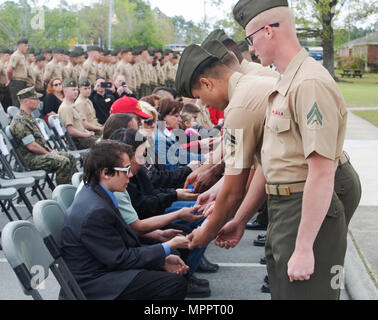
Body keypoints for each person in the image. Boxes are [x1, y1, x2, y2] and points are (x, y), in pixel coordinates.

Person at [211, 0, 360, 300]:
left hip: (304, 206)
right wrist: (241, 219)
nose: (251, 50)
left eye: (251, 40)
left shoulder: (309, 83)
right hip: (284, 209)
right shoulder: (287, 82)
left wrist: (305, 247)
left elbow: (321, 171)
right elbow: (272, 163)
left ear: (268, 31)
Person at [61, 140, 189, 300]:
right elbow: (120, 258)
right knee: (172, 284)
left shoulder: (97, 193)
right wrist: (168, 247)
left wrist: (161, 259)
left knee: (170, 276)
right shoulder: (95, 211)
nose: (130, 174)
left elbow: (121, 246)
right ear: (106, 173)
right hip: (95, 282)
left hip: (104, 267)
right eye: (126, 169)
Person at [10, 86, 77, 185]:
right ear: (26, 102)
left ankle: (75, 187)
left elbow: (40, 141)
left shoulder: (29, 117)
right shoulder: (20, 121)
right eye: (35, 99)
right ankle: (64, 191)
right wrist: (48, 153)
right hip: (31, 159)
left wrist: (50, 151)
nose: (38, 101)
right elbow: (31, 145)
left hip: (39, 155)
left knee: (70, 157)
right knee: (63, 161)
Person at [155, 98, 205, 171]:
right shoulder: (159, 139)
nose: (180, 120)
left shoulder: (168, 133)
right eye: (176, 116)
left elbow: (182, 154)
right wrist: (189, 168)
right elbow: (170, 170)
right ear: (163, 117)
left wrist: (205, 157)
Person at [58, 78, 96, 149]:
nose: (76, 92)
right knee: (101, 144)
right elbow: (70, 130)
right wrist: (85, 135)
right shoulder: (66, 108)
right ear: (65, 91)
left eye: (76, 90)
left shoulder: (72, 105)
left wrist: (87, 132)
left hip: (82, 137)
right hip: (77, 141)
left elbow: (79, 125)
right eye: (73, 90)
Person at [7, 38, 29, 107]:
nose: (27, 47)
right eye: (25, 45)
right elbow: (9, 70)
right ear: (20, 45)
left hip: (22, 82)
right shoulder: (15, 55)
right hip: (17, 82)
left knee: (22, 103)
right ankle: (16, 117)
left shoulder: (22, 56)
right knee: (17, 103)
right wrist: (10, 79)